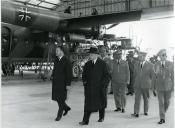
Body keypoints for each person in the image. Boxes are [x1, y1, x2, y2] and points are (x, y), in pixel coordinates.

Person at [79, 47, 110, 125]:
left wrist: (103, 85)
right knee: (87, 104)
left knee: (101, 103)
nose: (90, 55)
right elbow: (84, 75)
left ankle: (101, 117)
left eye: (92, 54)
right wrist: (85, 82)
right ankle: (85, 120)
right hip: (89, 88)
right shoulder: (87, 64)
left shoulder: (103, 64)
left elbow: (107, 76)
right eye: (90, 54)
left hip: (99, 88)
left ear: (96, 55)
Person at [52, 46, 72, 121]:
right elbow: (55, 70)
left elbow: (69, 74)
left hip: (63, 84)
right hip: (56, 83)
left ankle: (59, 115)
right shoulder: (56, 60)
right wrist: (52, 76)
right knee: (57, 98)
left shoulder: (66, 61)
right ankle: (66, 108)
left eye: (57, 50)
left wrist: (68, 84)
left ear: (62, 51)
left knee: (61, 99)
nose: (56, 52)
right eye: (56, 50)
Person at [131, 51, 154, 117]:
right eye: (138, 56)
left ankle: (145, 111)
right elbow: (135, 75)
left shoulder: (150, 65)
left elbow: (152, 76)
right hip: (137, 85)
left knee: (146, 99)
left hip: (146, 85)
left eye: (140, 56)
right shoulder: (136, 64)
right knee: (137, 99)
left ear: (144, 57)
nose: (139, 57)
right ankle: (136, 112)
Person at [153, 49, 174, 124]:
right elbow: (154, 77)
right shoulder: (156, 64)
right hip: (159, 86)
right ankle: (162, 118)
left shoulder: (171, 63)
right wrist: (153, 88)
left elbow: (173, 76)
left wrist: (173, 86)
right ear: (159, 56)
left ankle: (163, 111)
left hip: (168, 85)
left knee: (167, 102)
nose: (164, 56)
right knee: (161, 103)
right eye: (162, 55)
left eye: (165, 55)